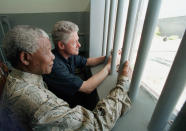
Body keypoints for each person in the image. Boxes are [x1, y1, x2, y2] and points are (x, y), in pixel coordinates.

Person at [2, 25, 131, 130]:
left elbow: (87, 61)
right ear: (25, 58)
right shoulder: (37, 102)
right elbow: (96, 125)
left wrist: (109, 58)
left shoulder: (19, 77)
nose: (52, 56)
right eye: (47, 51)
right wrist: (123, 81)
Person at [43, 21, 121, 110]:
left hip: (73, 98)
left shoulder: (69, 55)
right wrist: (108, 67)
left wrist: (108, 57)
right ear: (61, 45)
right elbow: (87, 87)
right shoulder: (55, 66)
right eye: (74, 43)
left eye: (78, 40)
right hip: (66, 107)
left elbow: (87, 62)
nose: (79, 45)